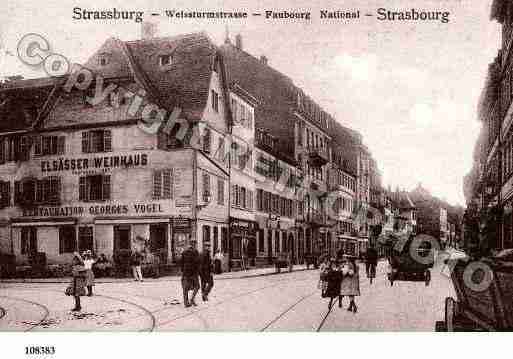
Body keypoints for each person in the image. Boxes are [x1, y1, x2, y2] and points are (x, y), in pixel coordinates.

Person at [181, 241, 200, 307]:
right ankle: (192, 299)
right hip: (193, 273)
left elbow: (181, 263)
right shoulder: (195, 252)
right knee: (197, 286)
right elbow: (197, 262)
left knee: (185, 288)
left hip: (185, 272)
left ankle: (186, 302)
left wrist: (183, 271)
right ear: (194, 244)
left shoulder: (184, 252)